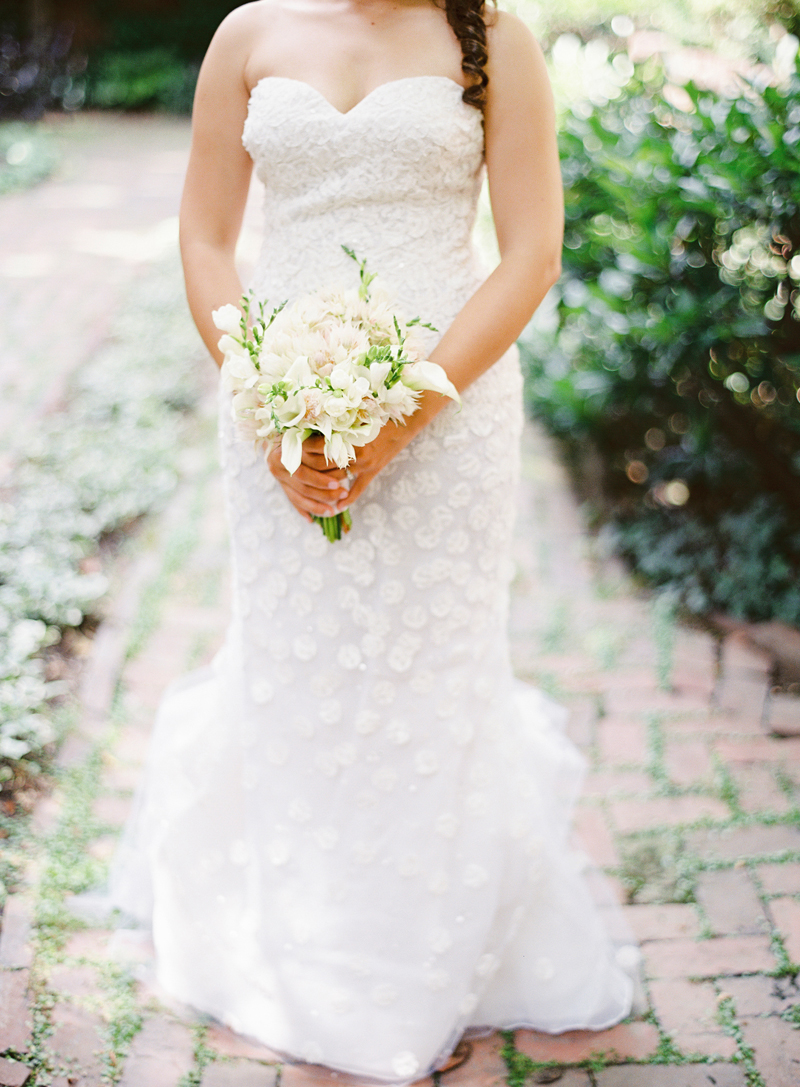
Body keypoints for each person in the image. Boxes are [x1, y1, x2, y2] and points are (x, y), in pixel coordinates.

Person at [109, 0, 636, 1080]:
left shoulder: (496, 39)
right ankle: (294, 933)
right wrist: (265, 407)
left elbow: (530, 253)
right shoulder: (248, 32)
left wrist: (399, 418)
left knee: (424, 670)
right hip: (276, 406)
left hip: (449, 408)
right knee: (297, 657)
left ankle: (415, 954)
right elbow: (205, 238)